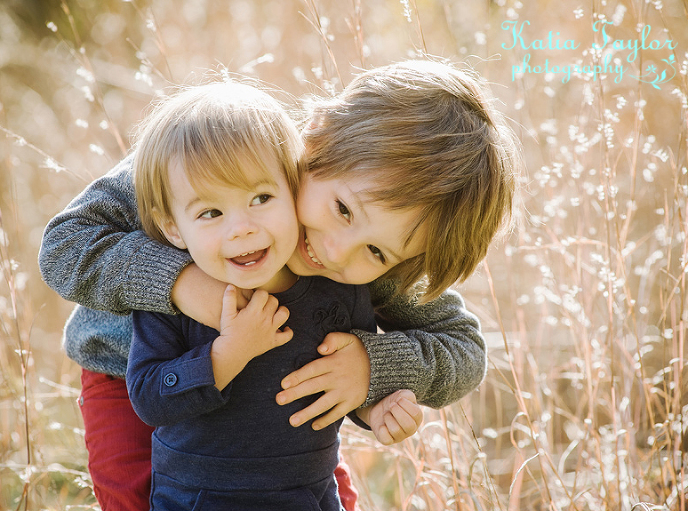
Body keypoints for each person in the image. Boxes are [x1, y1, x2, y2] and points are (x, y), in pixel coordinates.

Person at [39, 58, 518, 511]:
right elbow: (65, 246)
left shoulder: (370, 264)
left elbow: (465, 349)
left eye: (377, 253)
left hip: (274, 419)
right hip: (130, 375)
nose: (336, 251)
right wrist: (185, 284)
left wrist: (372, 366)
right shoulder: (209, 149)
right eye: (343, 210)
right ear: (317, 139)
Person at [124, 81, 420, 510]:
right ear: (173, 227)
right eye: (211, 212)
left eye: (261, 198)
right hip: (199, 498)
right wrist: (228, 353)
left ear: (294, 187)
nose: (241, 227)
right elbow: (150, 398)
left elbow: (340, 382)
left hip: (309, 493)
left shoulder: (339, 286)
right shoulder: (173, 295)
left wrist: (374, 409)